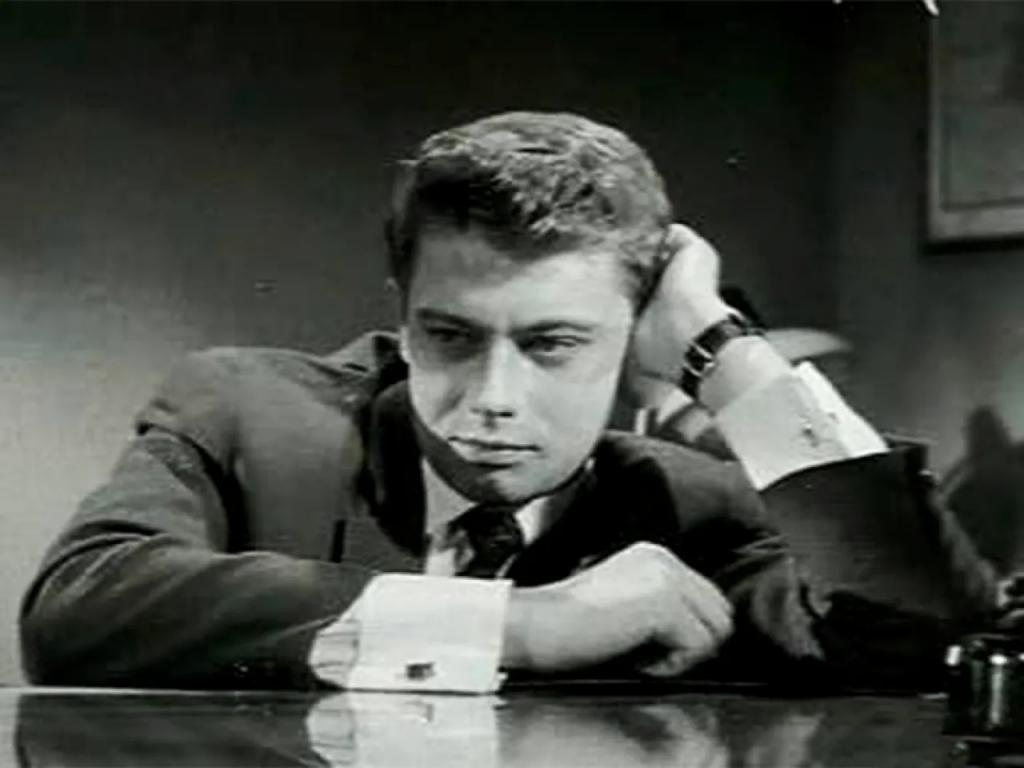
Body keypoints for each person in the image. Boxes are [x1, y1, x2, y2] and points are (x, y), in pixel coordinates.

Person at [19, 111, 996, 693]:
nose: (492, 400)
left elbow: (926, 636)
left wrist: (716, 345)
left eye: (552, 344)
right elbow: (77, 610)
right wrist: (519, 622)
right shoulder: (245, 412)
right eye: (449, 336)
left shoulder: (688, 505)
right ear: (402, 315)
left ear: (633, 336)